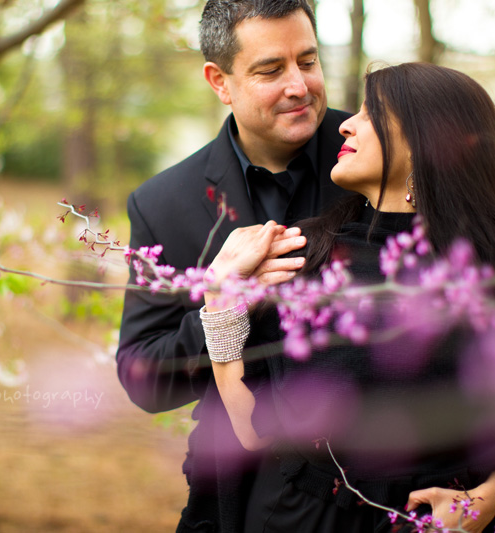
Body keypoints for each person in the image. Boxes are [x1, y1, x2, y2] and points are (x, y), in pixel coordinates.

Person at [202, 62, 495, 532]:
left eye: (373, 113)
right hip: (308, 519)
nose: (346, 122)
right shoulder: (300, 255)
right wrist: (219, 298)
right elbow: (251, 429)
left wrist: (481, 503)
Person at [116, 1, 352, 530]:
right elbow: (143, 378)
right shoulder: (162, 204)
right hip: (235, 502)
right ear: (219, 81)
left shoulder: (375, 154)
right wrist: (218, 303)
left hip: (373, 490)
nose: (299, 85)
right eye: (271, 70)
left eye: (308, 62)